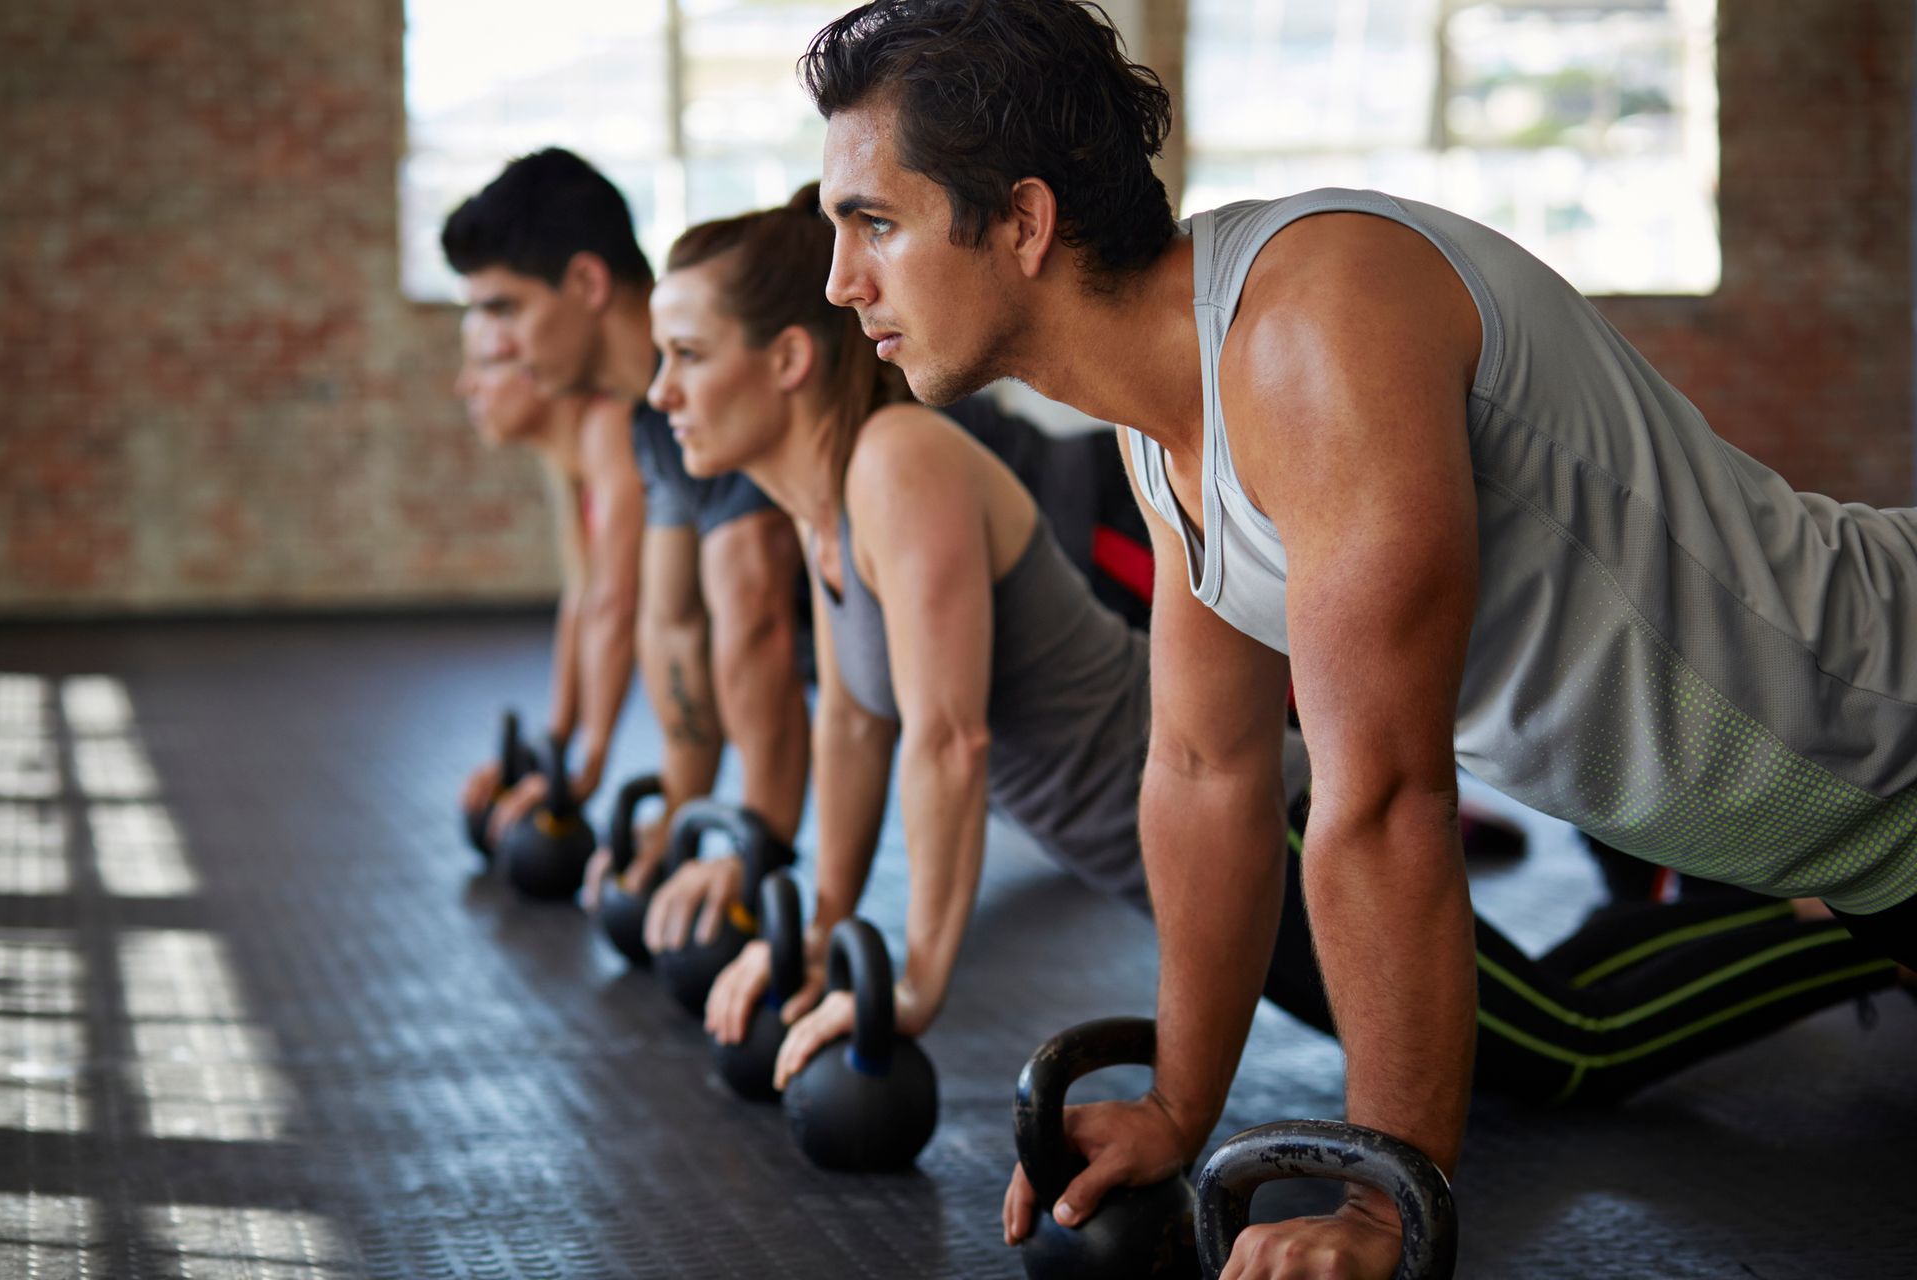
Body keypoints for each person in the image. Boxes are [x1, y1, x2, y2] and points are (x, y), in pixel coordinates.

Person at [798, 3, 1917, 1274]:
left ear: (1023, 221)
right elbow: (1206, 772)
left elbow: (1381, 797)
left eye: (872, 223)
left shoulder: (1310, 332)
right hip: (1861, 842)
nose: (841, 281)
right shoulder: (1169, 423)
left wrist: (1385, 1196)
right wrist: (1179, 1097)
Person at [643, 189, 1902, 1137]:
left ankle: (1844, 924)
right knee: (1556, 1013)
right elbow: (877, 733)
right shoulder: (847, 513)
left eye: (687, 355)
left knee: (1571, 1040)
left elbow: (946, 737)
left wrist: (910, 980)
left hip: (1294, 827)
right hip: (1202, 833)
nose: (662, 394)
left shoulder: (899, 462)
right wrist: (817, 934)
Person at [442, 150, 811, 935]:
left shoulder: (721, 384)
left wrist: (753, 852)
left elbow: (755, 620)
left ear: (585, 284)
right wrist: (676, 821)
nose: (498, 345)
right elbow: (670, 622)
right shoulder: (654, 419)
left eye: (507, 310)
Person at [450, 314, 643, 839]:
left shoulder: (610, 425)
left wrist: (584, 772)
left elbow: (615, 604)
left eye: (485, 364)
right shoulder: (568, 462)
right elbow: (583, 600)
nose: (464, 384)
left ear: (538, 370)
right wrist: (551, 748)